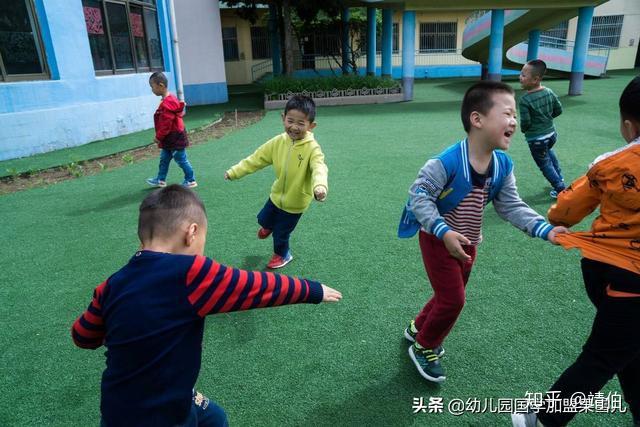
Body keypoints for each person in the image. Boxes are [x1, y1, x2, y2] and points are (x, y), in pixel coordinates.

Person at [71, 185, 342, 427]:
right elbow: (255, 287)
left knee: (215, 418)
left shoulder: (112, 284)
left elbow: (83, 336)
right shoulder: (190, 271)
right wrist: (313, 290)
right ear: (192, 233)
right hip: (162, 414)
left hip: (117, 408)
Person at [398, 81, 566, 383]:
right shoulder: (445, 163)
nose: (514, 121)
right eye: (507, 113)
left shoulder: (502, 165)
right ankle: (425, 346)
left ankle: (417, 328)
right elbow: (418, 197)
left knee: (449, 293)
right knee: (453, 300)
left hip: (469, 242)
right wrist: (443, 231)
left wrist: (546, 230)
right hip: (438, 240)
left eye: (515, 115)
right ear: (478, 119)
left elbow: (511, 205)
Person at [511, 76, 640, 427]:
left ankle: (540, 419)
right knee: (626, 346)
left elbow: (563, 212)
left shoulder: (611, 163)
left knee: (604, 355)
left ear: (628, 126)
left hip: (619, 278)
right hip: (622, 280)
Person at [224, 95, 328, 269]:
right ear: (283, 118)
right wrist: (235, 171)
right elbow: (257, 158)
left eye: (301, 123)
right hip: (277, 194)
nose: (294, 127)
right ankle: (268, 226)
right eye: (290, 121)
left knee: (281, 233)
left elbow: (319, 167)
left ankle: (283, 254)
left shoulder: (312, 148)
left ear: (311, 126)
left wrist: (320, 186)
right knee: (264, 219)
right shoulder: (278, 142)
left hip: (295, 202)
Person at [519, 59, 565, 198]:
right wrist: (547, 120)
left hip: (536, 139)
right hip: (551, 135)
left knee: (544, 164)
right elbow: (558, 110)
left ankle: (561, 189)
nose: (520, 77)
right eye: (521, 74)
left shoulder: (525, 100)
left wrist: (524, 130)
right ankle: (559, 178)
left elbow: (525, 122)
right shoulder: (549, 92)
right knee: (549, 152)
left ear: (535, 79)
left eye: (523, 75)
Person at [146, 71, 197, 189]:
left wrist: (158, 137)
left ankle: (190, 180)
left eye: (152, 87)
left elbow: (165, 124)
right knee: (164, 159)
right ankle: (160, 179)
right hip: (170, 138)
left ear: (161, 85)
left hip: (175, 137)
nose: (152, 90)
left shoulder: (167, 103)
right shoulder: (168, 100)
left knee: (180, 159)